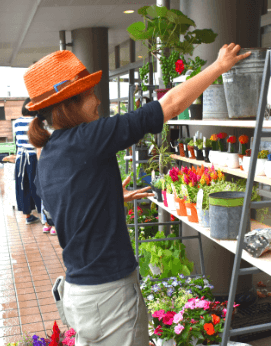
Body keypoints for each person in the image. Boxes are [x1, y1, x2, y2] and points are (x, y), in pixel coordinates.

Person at [23, 43, 251, 346]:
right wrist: (218, 67)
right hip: (109, 295)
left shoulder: (49, 154)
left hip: (78, 293)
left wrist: (109, 197)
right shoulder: (89, 138)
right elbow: (165, 107)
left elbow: (65, 210)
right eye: (89, 92)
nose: (97, 99)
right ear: (69, 104)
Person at [13, 99, 41, 224]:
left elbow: (17, 142)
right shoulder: (36, 122)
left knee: (22, 186)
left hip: (20, 159)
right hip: (32, 157)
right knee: (37, 186)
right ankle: (44, 218)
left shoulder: (17, 122)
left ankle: (27, 216)